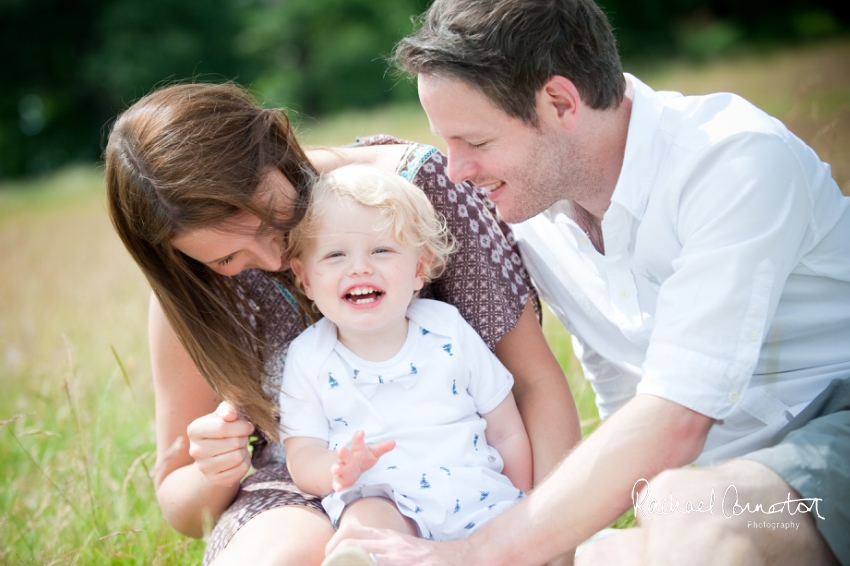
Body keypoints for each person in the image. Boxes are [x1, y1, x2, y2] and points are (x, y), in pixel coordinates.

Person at [325, 0, 850, 564]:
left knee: (690, 508)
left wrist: (477, 553)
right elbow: (627, 409)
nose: (456, 171)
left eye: (475, 143)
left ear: (559, 102)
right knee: (647, 531)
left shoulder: (733, 162)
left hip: (831, 426)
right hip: (734, 483)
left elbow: (675, 422)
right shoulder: (536, 211)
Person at [104, 82, 579, 565]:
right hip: (299, 480)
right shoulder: (190, 287)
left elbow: (532, 384)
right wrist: (214, 468)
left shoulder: (411, 188)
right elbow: (179, 501)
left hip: (455, 461)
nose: (273, 258)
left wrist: (543, 539)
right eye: (228, 256)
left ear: (276, 144)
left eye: (272, 218)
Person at [280, 165, 531, 554]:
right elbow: (302, 455)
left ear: (419, 268)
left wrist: (523, 500)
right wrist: (336, 467)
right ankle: (361, 558)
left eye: (381, 250)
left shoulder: (447, 329)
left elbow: (506, 429)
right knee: (365, 525)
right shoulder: (309, 357)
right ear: (305, 278)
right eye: (335, 255)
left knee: (516, 542)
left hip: (476, 491)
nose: (359, 267)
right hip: (382, 495)